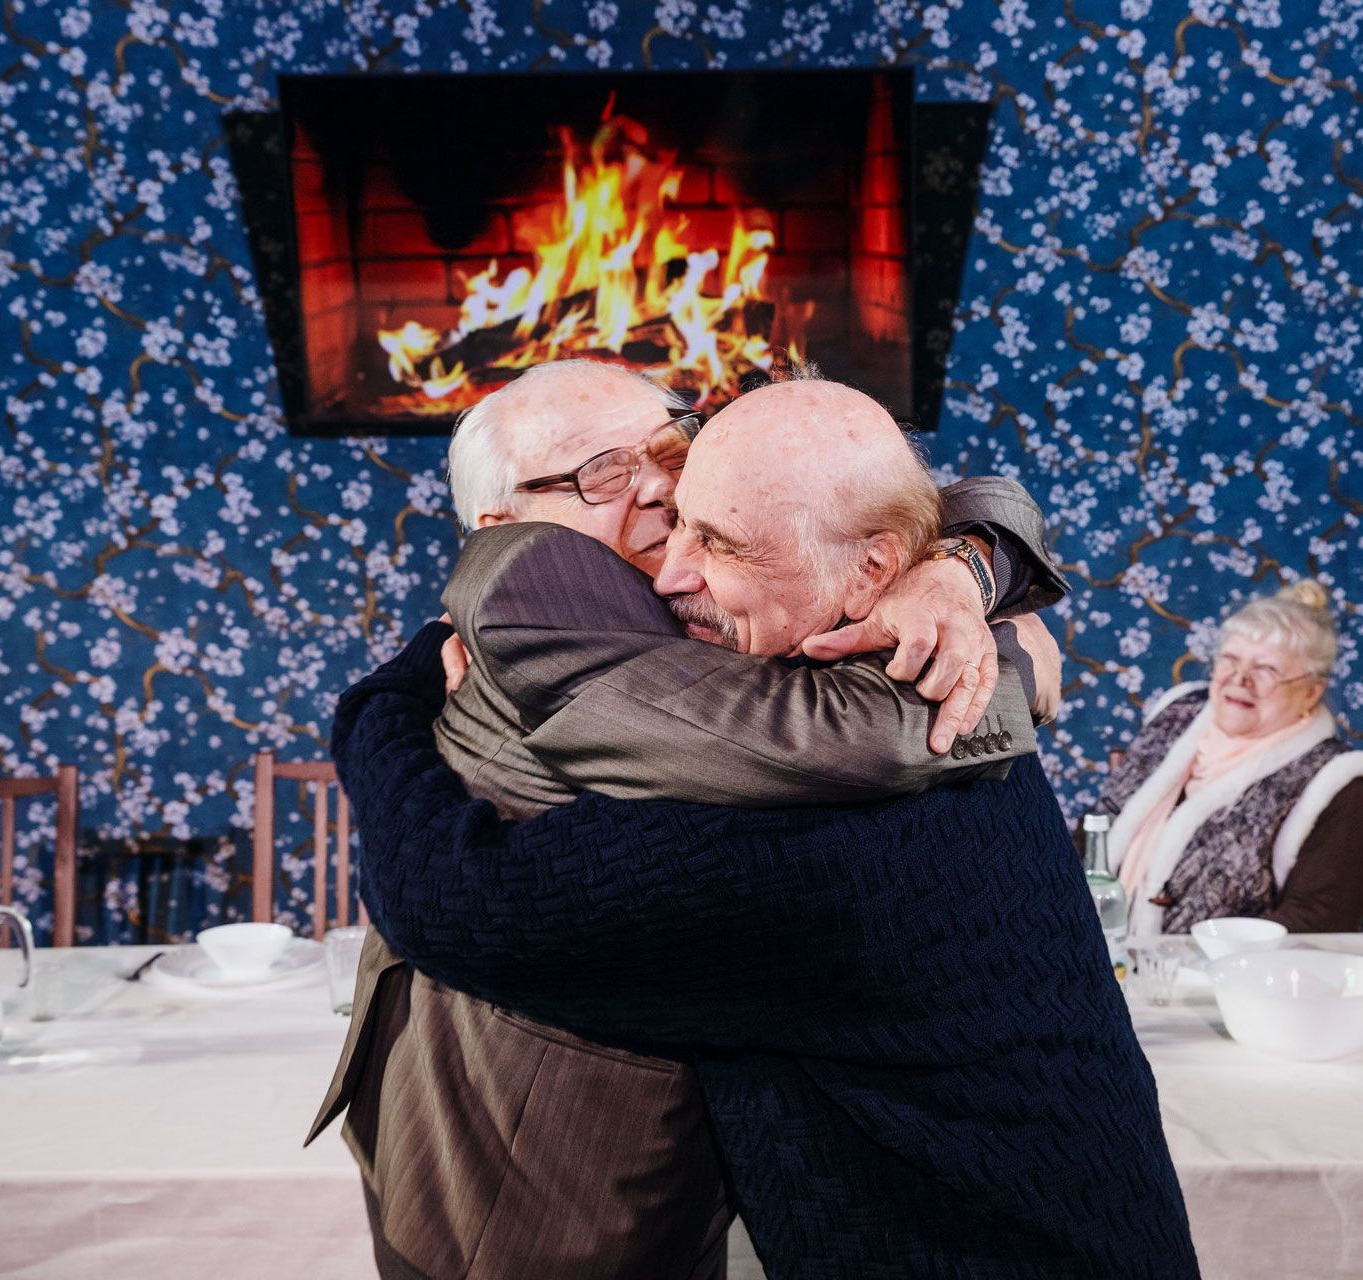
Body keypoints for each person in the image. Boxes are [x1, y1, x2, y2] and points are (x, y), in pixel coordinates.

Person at [334, 373, 1198, 1277]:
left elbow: (449, 896)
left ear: (873, 569)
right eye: (601, 474)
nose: (662, 497)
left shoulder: (826, 805)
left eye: (675, 461)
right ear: (502, 527)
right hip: (503, 1195)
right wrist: (980, 588)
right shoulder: (601, 630)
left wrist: (981, 590)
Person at [1093, 579, 1363, 934]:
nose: (1239, 679)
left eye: (1266, 670)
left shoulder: (1335, 784)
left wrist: (1201, 959)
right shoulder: (1175, 717)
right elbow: (1096, 830)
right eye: (1230, 660)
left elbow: (1320, 920)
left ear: (1311, 692)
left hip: (1229, 970)